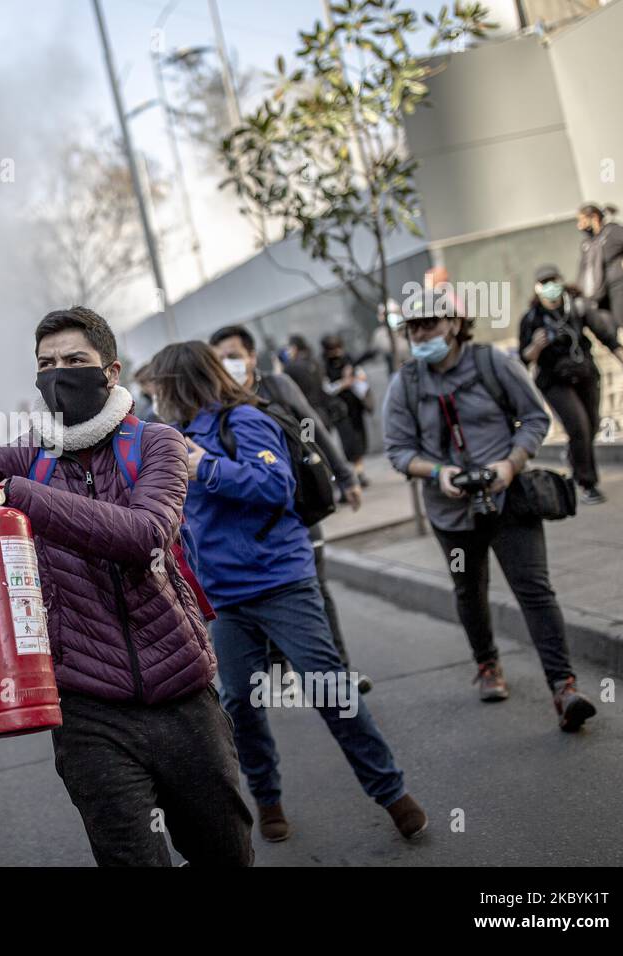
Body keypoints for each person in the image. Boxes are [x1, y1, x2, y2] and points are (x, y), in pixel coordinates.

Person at [0, 306, 254, 867]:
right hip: (89, 709)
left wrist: (23, 497)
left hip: (183, 695)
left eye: (74, 360)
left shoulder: (158, 444)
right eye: (46, 363)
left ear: (110, 372)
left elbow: (146, 536)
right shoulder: (29, 457)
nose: (59, 373)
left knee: (227, 854)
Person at [144, 342, 424, 846]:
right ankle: (268, 798)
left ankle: (391, 791)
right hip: (224, 599)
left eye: (159, 387)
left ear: (181, 384)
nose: (154, 398)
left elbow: (276, 484)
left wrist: (206, 467)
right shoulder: (171, 437)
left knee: (328, 687)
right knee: (242, 703)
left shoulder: (244, 421)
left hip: (281, 581)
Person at [382, 309, 597, 732]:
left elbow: (535, 418)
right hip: (450, 513)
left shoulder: (492, 361)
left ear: (455, 325)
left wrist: (511, 464)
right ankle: (487, 666)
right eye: (413, 327)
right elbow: (397, 450)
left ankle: (564, 687)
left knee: (534, 590)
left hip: (508, 501)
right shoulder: (405, 383)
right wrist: (437, 473)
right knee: (469, 589)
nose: (421, 333)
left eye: (430, 323)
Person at [210, 325, 371, 695]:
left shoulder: (277, 388)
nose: (227, 365)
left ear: (252, 357)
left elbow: (311, 425)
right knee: (266, 593)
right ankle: (281, 664)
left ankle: (340, 673)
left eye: (234, 356)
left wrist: (345, 476)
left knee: (314, 584)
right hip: (247, 518)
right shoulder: (214, 401)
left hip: (294, 504)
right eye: (219, 359)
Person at [519, 264, 623, 505]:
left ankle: (576, 459)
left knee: (592, 425)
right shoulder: (532, 318)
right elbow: (523, 360)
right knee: (578, 426)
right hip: (554, 380)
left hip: (584, 374)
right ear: (537, 288)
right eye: (544, 283)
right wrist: (535, 347)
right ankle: (587, 483)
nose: (550, 287)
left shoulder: (578, 306)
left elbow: (608, 338)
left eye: (553, 280)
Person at [576, 203, 623, 372]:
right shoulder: (590, 243)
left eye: (582, 220)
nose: (579, 225)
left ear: (593, 218)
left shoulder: (612, 232)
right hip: (603, 293)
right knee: (608, 331)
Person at [321, 334, 374, 488]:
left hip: (355, 406)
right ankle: (355, 474)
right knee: (349, 442)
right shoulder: (324, 365)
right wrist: (344, 383)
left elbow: (360, 374)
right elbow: (326, 388)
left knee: (360, 439)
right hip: (339, 410)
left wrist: (356, 378)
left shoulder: (348, 359)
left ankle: (359, 472)